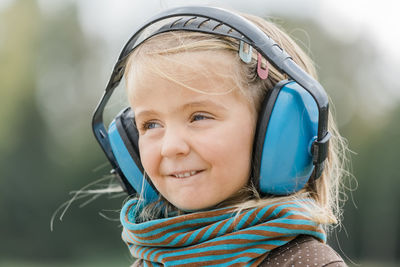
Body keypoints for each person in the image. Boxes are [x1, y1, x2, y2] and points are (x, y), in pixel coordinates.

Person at [93, 6, 349, 267]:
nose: (170, 147)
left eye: (199, 117)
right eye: (151, 124)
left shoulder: (307, 263)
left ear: (281, 132)